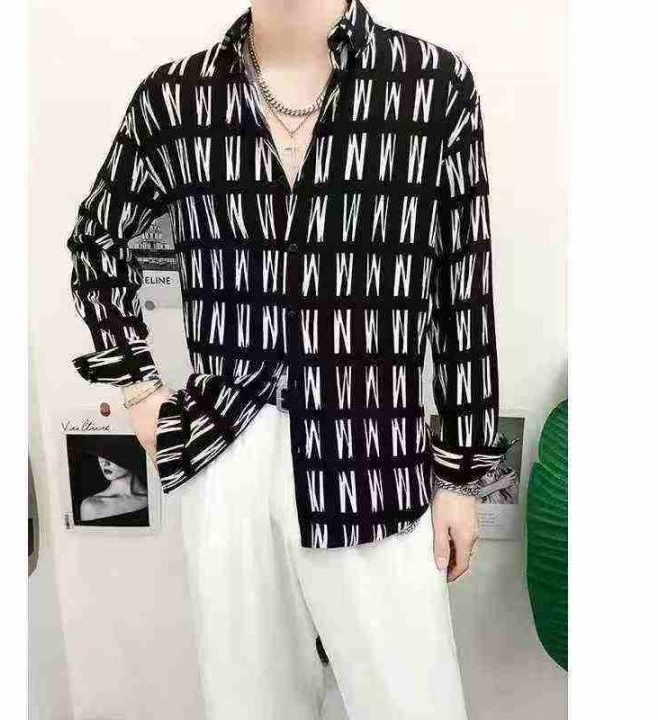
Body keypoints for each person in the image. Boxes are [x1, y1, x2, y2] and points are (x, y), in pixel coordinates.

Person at [65, 1, 508, 717]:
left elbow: (464, 285)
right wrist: (140, 390)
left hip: (374, 447)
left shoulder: (431, 84)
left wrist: (461, 475)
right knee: (251, 701)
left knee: (412, 698)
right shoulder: (175, 97)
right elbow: (98, 242)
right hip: (227, 446)